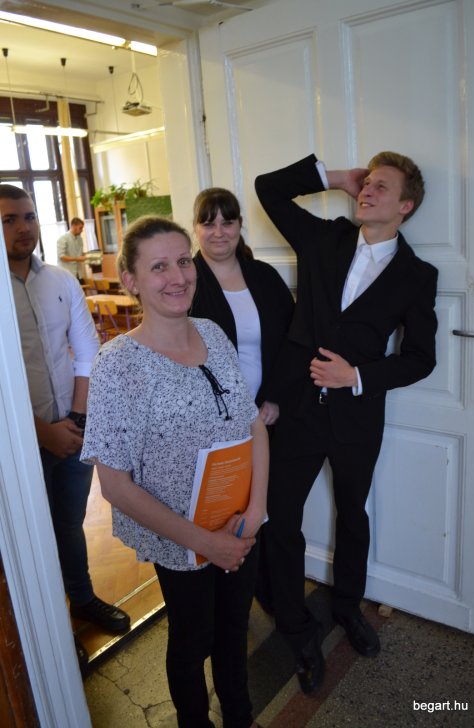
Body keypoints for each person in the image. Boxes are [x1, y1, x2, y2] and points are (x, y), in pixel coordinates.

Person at [254, 152, 438, 694]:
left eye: (382, 187)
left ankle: (348, 607)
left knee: (353, 514)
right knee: (280, 516)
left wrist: (356, 376)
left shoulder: (417, 275)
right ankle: (295, 624)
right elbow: (268, 189)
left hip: (357, 415)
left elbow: (420, 358)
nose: (368, 191)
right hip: (296, 408)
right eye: (367, 183)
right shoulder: (323, 239)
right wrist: (336, 178)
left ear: (405, 207)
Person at [81, 215, 268, 728]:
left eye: (184, 261)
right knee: (193, 639)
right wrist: (205, 543)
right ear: (132, 280)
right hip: (180, 538)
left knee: (233, 630)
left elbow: (253, 424)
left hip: (239, 521)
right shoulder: (118, 364)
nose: (178, 276)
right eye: (159, 266)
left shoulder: (212, 332)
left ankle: (240, 717)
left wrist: (256, 510)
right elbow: (115, 485)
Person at [0, 185, 131, 668]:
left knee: (69, 524)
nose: (24, 227)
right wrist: (42, 432)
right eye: (10, 219)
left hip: (75, 430)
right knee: (32, 537)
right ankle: (51, 625)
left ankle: (82, 598)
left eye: (29, 216)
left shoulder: (59, 280)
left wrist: (75, 421)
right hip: (18, 443)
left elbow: (88, 351)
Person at [190, 187, 295, 427]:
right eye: (208, 224)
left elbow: (292, 342)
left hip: (268, 415)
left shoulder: (266, 277)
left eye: (227, 223)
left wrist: (275, 398)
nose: (219, 233)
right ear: (195, 228)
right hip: (210, 419)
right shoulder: (184, 283)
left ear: (240, 224)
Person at [57, 216, 86, 282]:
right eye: (80, 228)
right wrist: (77, 258)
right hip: (67, 274)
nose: (82, 230)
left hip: (79, 273)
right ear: (74, 226)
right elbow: (62, 257)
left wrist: (89, 256)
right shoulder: (63, 238)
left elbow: (80, 253)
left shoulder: (80, 239)